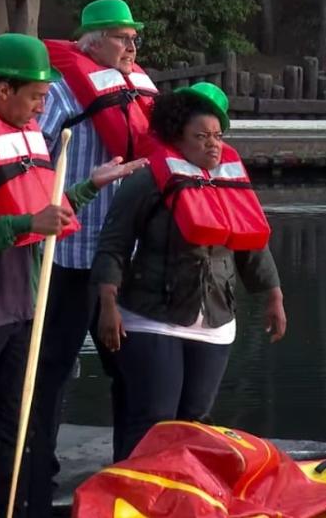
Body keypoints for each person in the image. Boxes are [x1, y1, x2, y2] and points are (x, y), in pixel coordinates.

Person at [0, 33, 143, 518]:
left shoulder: (24, 135)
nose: (44, 107)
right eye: (37, 96)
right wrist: (26, 225)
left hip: (26, 308)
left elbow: (45, 206)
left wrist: (88, 186)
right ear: (2, 93)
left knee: (11, 429)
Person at [91, 82, 287, 460]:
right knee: (153, 420)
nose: (212, 144)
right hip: (152, 317)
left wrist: (273, 295)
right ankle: (134, 498)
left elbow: (252, 243)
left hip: (215, 319)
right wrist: (107, 303)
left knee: (195, 420)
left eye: (217, 135)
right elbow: (113, 244)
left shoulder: (230, 181)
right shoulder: (146, 181)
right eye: (201, 136)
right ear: (177, 138)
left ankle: (183, 498)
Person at [28, 0, 158, 509]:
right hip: (67, 259)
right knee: (52, 372)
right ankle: (38, 475)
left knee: (130, 371)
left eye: (134, 38)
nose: (132, 45)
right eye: (122, 36)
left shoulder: (137, 95)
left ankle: (129, 472)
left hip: (123, 262)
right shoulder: (60, 95)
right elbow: (31, 167)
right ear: (91, 42)